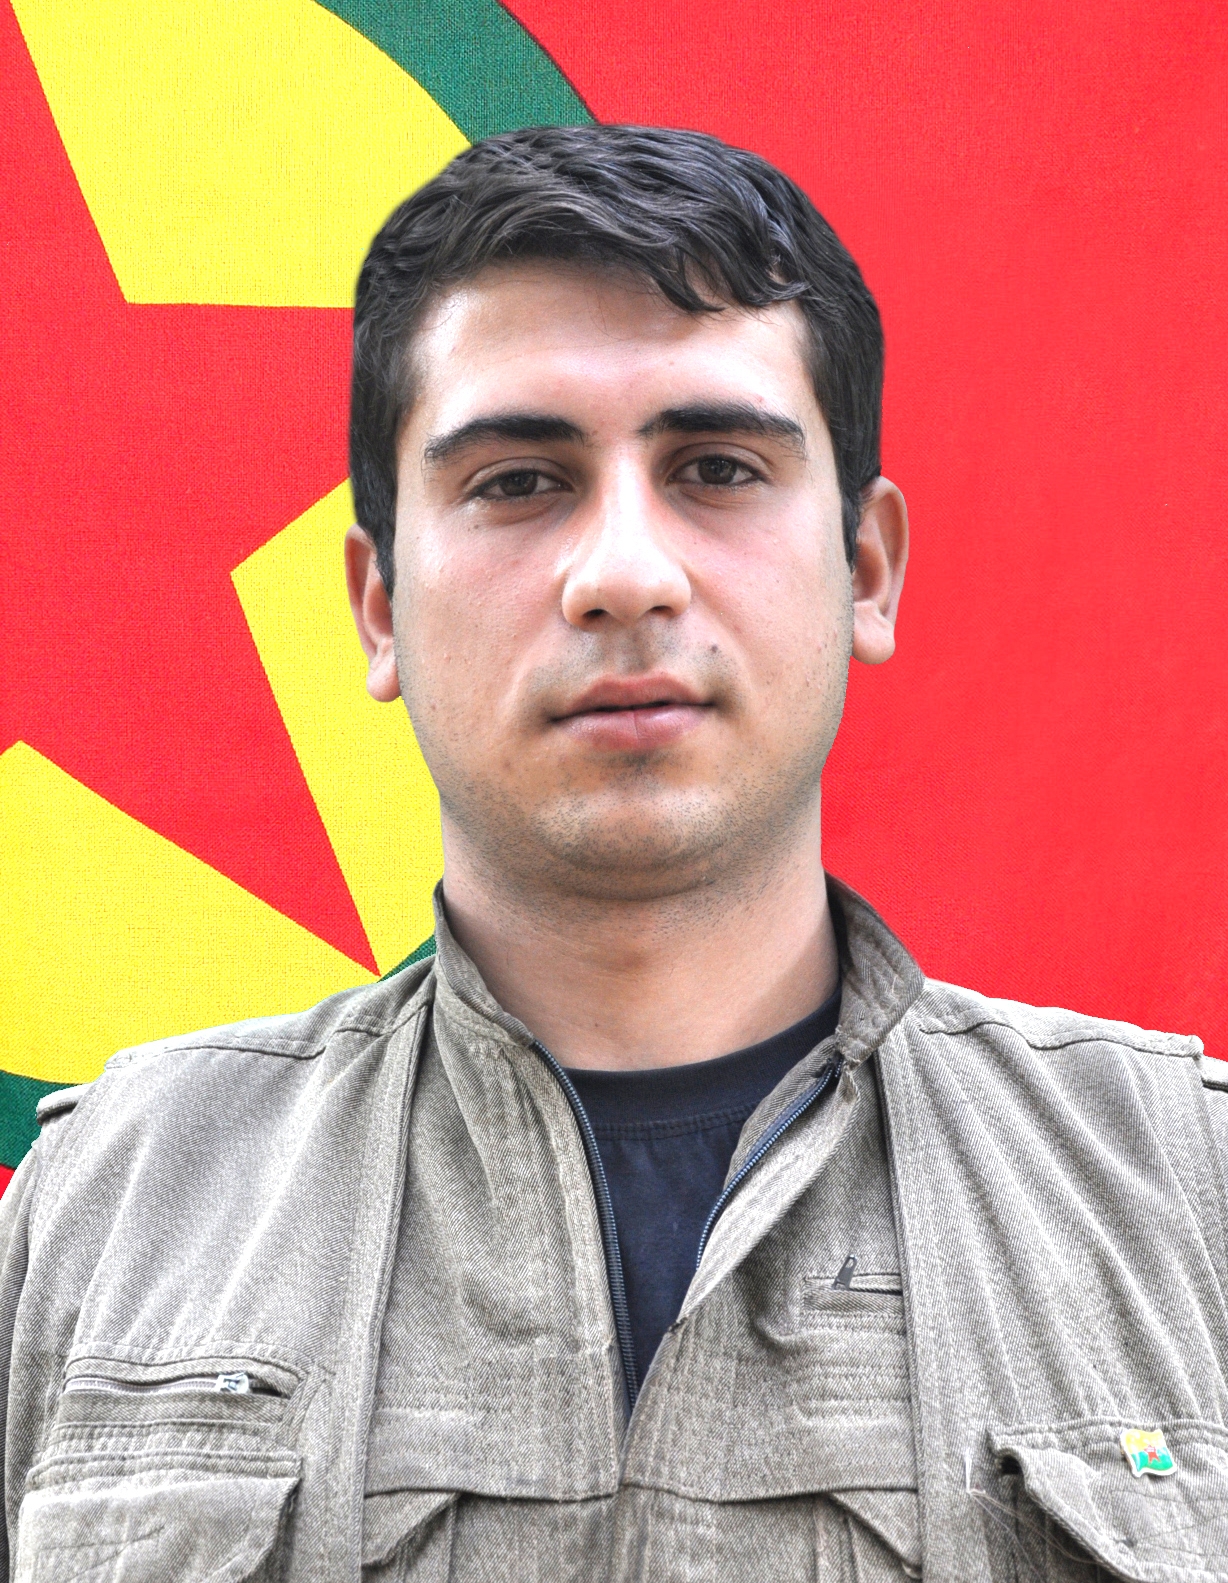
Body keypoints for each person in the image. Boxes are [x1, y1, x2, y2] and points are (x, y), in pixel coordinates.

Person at [2, 124, 1226, 1583]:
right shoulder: (109, 1210)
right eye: (520, 481)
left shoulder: (1185, 1195)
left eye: (717, 467)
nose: (625, 575)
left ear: (867, 569)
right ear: (379, 606)